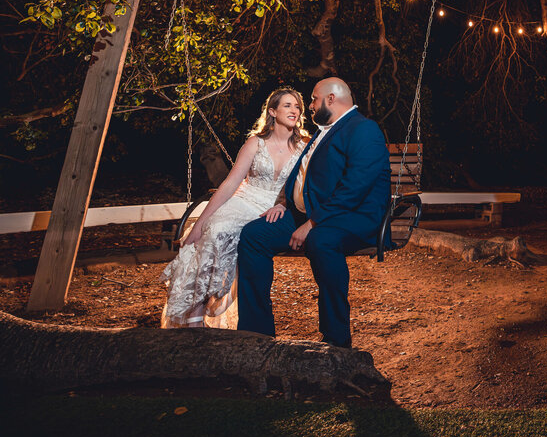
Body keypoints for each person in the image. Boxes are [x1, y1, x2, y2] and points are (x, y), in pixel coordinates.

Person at [237, 77, 390, 347]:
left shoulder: (363, 129)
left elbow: (355, 187)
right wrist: (284, 203)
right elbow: (306, 176)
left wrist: (312, 223)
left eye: (313, 99)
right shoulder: (324, 131)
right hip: (310, 214)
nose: (309, 105)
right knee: (253, 235)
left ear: (331, 99)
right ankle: (256, 333)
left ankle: (336, 339)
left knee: (321, 241)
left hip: (352, 217)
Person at [159, 88, 309, 328]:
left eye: (297, 107)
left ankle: (225, 311)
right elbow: (230, 184)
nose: (294, 111)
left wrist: (283, 205)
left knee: (244, 243)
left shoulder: (305, 147)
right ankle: (195, 314)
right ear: (272, 111)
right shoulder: (255, 143)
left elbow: (304, 186)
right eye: (288, 106)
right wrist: (200, 223)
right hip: (246, 200)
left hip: (275, 207)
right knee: (216, 231)